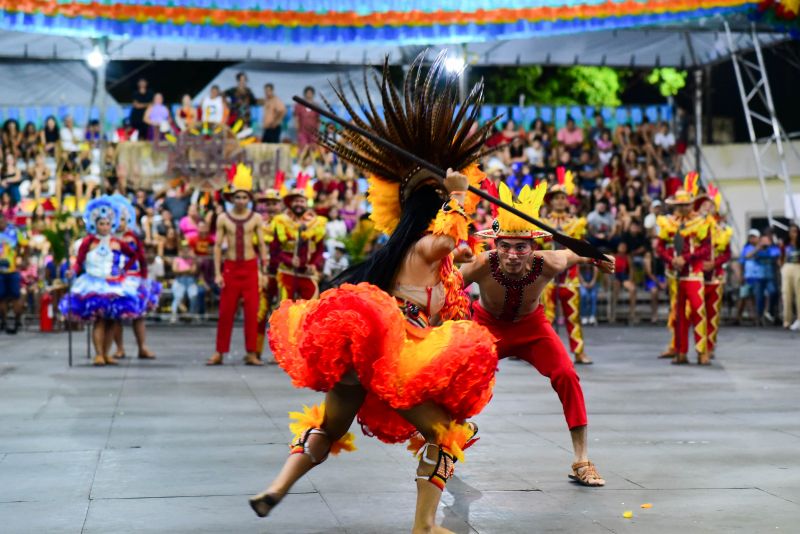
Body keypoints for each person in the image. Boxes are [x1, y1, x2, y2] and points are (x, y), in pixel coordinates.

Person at [250, 55, 499, 533]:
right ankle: (425, 525)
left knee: (329, 428)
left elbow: (469, 254)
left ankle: (276, 489)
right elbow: (453, 237)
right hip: (399, 352)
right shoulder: (429, 246)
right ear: (434, 209)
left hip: (362, 355)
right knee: (447, 434)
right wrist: (461, 193)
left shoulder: (407, 254)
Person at [463, 181, 614, 488]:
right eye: (505, 246)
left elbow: (577, 253)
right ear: (495, 246)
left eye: (521, 247)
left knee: (566, 374)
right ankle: (449, 442)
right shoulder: (481, 265)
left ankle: (582, 459)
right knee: (459, 376)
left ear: (533, 248)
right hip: (486, 327)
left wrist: (600, 258)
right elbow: (446, 280)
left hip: (533, 328)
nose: (513, 255)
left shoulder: (550, 262)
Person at [59, 197, 142, 366]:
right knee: (100, 320)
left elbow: (134, 255)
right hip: (93, 283)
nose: (104, 227)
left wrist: (124, 269)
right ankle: (98, 353)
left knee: (112, 320)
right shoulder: (88, 242)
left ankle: (106, 353)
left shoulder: (117, 242)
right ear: (95, 224)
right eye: (101, 223)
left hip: (114, 283)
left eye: (106, 223)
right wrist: (72, 271)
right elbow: (80, 261)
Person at [207, 164, 268, 367]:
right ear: (231, 198)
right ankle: (219, 352)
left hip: (250, 268)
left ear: (249, 199)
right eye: (237, 197)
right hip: (231, 269)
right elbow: (217, 247)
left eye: (244, 197)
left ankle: (251, 353)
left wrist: (263, 271)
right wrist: (217, 272)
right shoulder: (223, 218)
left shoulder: (256, 218)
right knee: (226, 312)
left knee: (252, 313)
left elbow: (261, 245)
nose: (241, 201)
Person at [655, 173, 712, 365]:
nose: (683, 208)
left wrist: (685, 259)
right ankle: (681, 351)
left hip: (694, 275)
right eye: (679, 205)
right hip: (675, 276)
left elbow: (706, 249)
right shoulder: (668, 223)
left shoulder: (702, 222)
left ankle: (702, 351)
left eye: (686, 204)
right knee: (679, 315)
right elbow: (659, 247)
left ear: (692, 204)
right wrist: (671, 259)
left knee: (698, 311)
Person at [541, 168, 592, 364]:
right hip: (548, 279)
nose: (560, 201)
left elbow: (583, 248)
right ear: (551, 201)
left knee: (573, 317)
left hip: (570, 278)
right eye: (556, 198)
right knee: (548, 319)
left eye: (563, 197)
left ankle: (579, 352)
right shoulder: (543, 223)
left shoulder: (576, 223)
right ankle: (550, 354)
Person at [109, 194, 159, 361]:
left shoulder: (133, 237)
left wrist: (144, 278)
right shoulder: (108, 239)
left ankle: (142, 347)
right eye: (117, 219)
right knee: (116, 315)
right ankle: (119, 348)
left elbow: (140, 258)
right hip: (115, 279)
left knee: (138, 315)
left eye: (123, 219)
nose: (120, 223)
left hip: (134, 279)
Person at [268, 188, 326, 302]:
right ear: (290, 203)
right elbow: (274, 250)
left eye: (301, 201)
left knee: (309, 311)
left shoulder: (317, 223)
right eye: (296, 201)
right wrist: (289, 260)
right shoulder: (281, 221)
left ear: (306, 203)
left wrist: (314, 264)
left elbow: (320, 249)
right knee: (285, 311)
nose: (299, 204)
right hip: (287, 272)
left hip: (308, 274)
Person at [697, 185, 732, 358]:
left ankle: (710, 345)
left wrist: (714, 263)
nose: (707, 208)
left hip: (715, 276)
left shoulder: (722, 227)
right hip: (697, 275)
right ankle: (700, 345)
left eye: (710, 205)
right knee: (699, 313)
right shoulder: (694, 226)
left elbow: (727, 253)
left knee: (713, 314)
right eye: (704, 205)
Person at [253, 188, 283, 358]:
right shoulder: (260, 225)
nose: (272, 207)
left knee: (280, 315)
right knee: (260, 313)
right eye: (268, 204)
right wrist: (259, 271)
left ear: (280, 205)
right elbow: (255, 250)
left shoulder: (288, 224)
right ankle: (255, 352)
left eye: (275, 203)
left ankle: (280, 354)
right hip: (264, 275)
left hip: (283, 275)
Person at [0, 211, 28, 334]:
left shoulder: (14, 232)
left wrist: (24, 259)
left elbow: (26, 245)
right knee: (1, 298)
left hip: (13, 270)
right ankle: (4, 322)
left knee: (16, 296)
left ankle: (17, 321)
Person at [170, 241, 202, 322]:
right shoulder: (177, 259)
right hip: (179, 280)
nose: (185, 250)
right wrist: (187, 269)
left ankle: (192, 315)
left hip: (190, 280)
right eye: (183, 248)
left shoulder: (192, 259)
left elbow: (194, 271)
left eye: (187, 248)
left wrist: (181, 270)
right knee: (178, 297)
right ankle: (173, 315)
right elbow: (175, 270)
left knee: (194, 295)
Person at [781, 223, 800, 331]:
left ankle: (799, 319)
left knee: (799, 295)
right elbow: (781, 256)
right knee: (786, 294)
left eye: (795, 231)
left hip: (798, 266)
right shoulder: (785, 244)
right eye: (791, 231)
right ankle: (786, 320)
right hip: (787, 266)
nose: (793, 234)